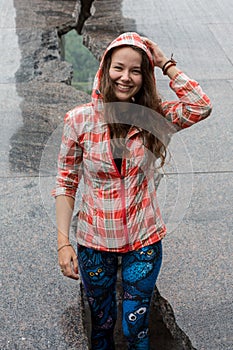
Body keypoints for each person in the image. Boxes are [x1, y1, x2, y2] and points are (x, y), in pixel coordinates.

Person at [53, 32, 212, 350]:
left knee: (135, 325)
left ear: (145, 75)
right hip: (95, 242)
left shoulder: (156, 117)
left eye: (136, 70)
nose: (125, 77)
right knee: (102, 325)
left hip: (144, 240)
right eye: (118, 68)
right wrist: (62, 244)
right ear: (105, 69)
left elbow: (200, 107)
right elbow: (66, 182)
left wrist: (165, 62)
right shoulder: (79, 121)